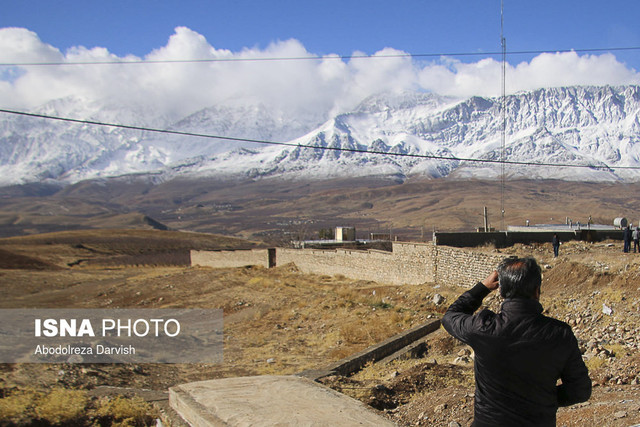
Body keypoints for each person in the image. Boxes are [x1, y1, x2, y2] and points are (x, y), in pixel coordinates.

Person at [442, 257, 591, 426]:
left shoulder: (483, 329)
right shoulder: (560, 334)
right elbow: (580, 391)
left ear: (501, 291)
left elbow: (450, 316)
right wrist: (542, 398)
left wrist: (483, 287)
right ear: (537, 290)